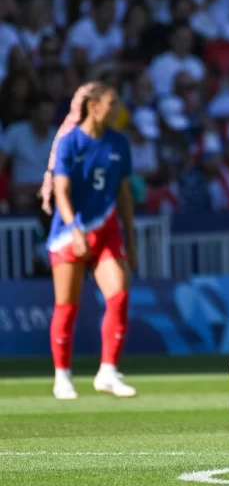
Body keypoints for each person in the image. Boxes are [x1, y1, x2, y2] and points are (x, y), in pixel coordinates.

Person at [45, 82, 138, 400]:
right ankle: (62, 376)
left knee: (119, 294)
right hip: (69, 233)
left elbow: (123, 195)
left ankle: (108, 372)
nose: (116, 110)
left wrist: (132, 240)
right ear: (93, 106)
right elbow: (60, 191)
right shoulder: (70, 142)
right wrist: (74, 230)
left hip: (108, 232)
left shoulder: (119, 143)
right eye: (112, 103)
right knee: (67, 306)